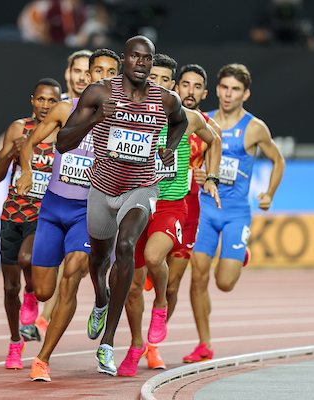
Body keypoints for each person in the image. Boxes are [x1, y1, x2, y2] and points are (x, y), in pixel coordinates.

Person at [48, 35, 189, 376]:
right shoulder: (99, 93)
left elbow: (181, 121)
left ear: (151, 62)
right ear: (124, 59)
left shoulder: (165, 99)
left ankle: (108, 343)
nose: (141, 63)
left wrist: (169, 147)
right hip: (101, 189)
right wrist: (96, 118)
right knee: (98, 262)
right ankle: (101, 299)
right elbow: (62, 143)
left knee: (125, 247)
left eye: (147, 58)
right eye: (135, 57)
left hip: (141, 188)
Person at [15, 49, 121, 382]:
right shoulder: (64, 109)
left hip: (88, 211)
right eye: (98, 70)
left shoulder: (123, 119)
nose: (104, 77)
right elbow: (29, 143)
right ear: (87, 76)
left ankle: (42, 358)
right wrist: (27, 171)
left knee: (73, 272)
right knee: (44, 291)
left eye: (111, 72)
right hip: (52, 209)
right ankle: (40, 301)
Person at [117, 56, 221, 376]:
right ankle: (136, 346)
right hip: (137, 203)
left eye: (165, 80)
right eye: (154, 78)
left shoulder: (189, 117)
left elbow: (215, 140)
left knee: (159, 264)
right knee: (133, 287)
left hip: (173, 205)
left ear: (172, 85)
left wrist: (211, 177)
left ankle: (159, 313)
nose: (159, 85)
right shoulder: (132, 113)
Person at [186, 63, 285, 363]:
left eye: (236, 90)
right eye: (225, 88)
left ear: (246, 94)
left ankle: (239, 253)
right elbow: (190, 157)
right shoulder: (202, 121)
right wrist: (198, 173)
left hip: (235, 212)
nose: (229, 95)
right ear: (216, 90)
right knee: (198, 276)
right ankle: (204, 343)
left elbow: (278, 160)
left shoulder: (254, 128)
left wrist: (269, 193)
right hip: (205, 208)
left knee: (224, 283)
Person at [0, 78, 61, 370]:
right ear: (32, 100)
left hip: (43, 214)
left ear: (59, 104)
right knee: (9, 288)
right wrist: (11, 152)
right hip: (12, 214)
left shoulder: (64, 135)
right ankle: (15, 341)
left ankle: (31, 293)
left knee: (26, 259)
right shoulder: (18, 129)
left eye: (52, 101)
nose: (45, 105)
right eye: (41, 99)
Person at [249, 0, 314, 50]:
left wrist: (309, 42)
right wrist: (265, 36)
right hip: (270, 54)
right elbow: (255, 34)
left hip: (296, 56)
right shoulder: (267, 17)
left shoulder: (301, 19)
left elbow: (312, 43)